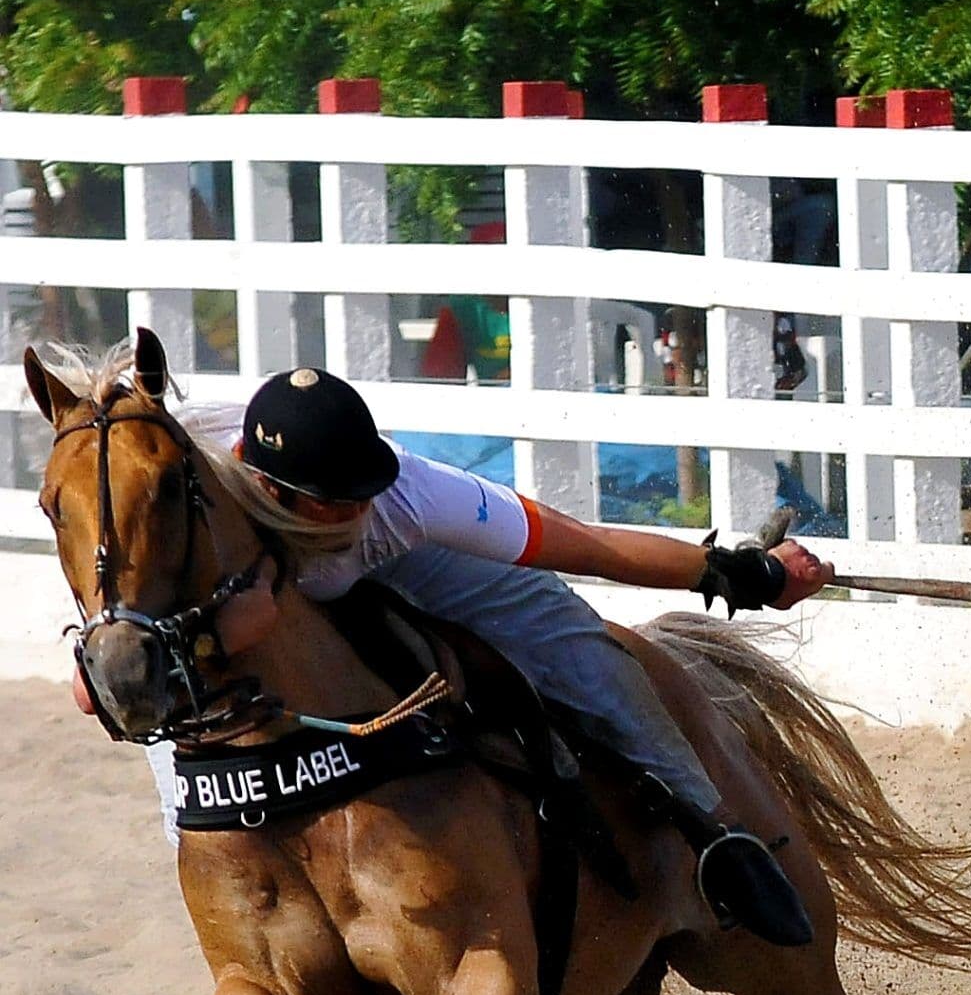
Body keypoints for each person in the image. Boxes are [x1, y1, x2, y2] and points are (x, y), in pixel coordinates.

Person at [148, 364, 835, 947]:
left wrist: (741, 574)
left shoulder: (405, 500)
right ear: (267, 487)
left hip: (414, 560)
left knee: (578, 650)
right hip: (244, 585)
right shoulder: (196, 486)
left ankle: (716, 832)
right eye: (337, 502)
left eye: (365, 491)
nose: (358, 509)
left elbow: (584, 545)